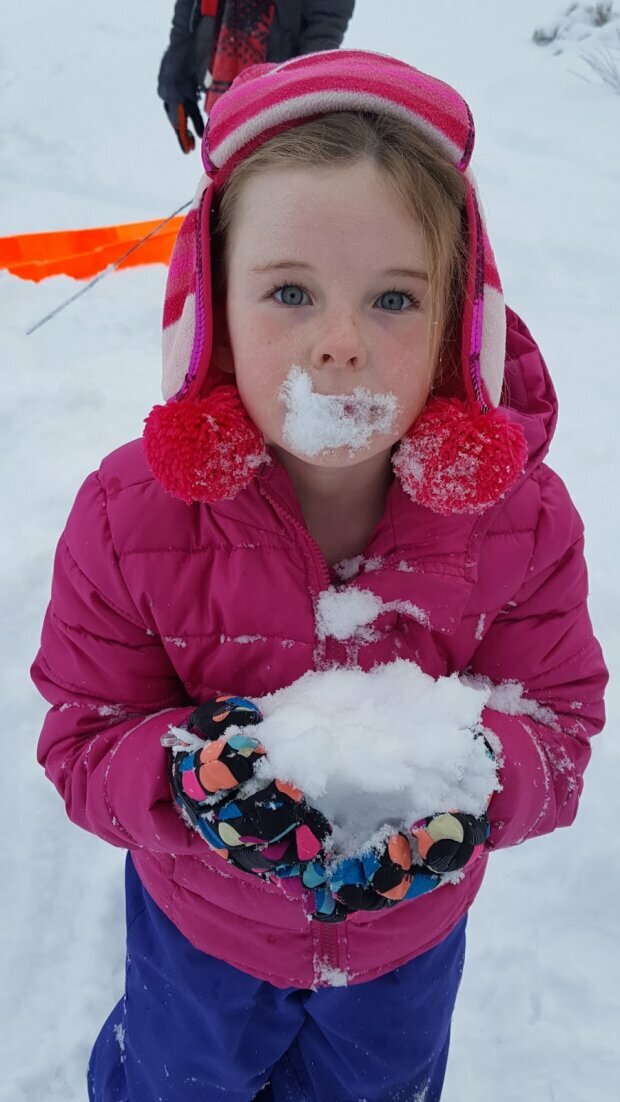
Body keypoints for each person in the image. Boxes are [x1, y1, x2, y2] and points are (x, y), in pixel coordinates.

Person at [32, 50, 607, 1102]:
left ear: (454, 332)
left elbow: (559, 723)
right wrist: (181, 778)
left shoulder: (518, 520)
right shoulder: (128, 517)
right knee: (177, 1082)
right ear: (207, 313)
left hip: (404, 946)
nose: (339, 343)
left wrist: (477, 783)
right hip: (200, 927)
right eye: (289, 291)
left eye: (393, 298)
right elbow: (82, 732)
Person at [158, 0, 356, 151]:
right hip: (220, 75)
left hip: (280, 85)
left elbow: (328, 16)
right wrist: (177, 63)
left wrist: (304, 78)